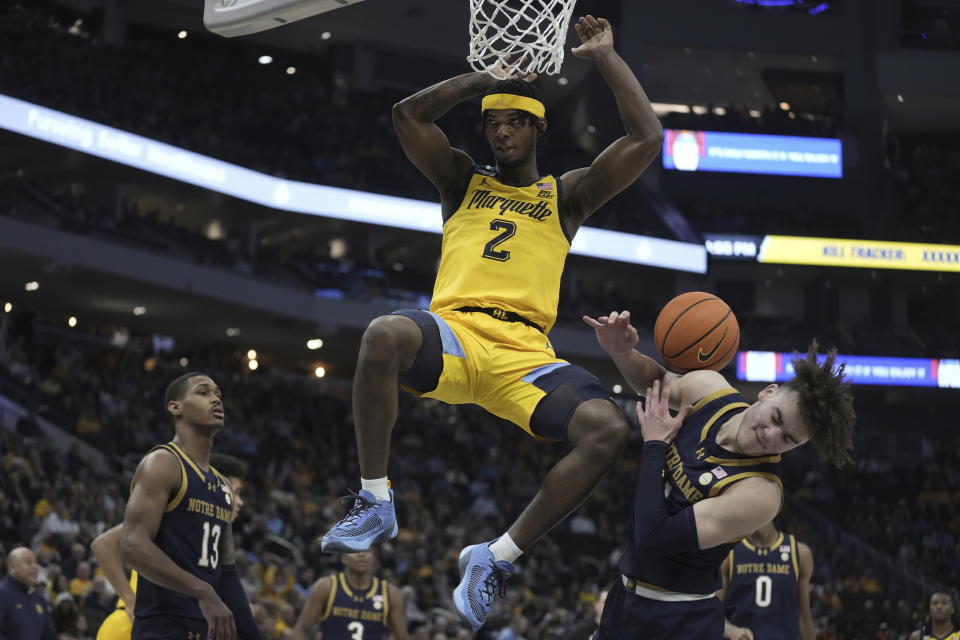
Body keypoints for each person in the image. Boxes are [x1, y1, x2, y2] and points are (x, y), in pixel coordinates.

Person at [320, 15, 664, 631]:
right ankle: (375, 498)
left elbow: (645, 136)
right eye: (492, 124)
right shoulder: (461, 181)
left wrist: (606, 56)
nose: (500, 133)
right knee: (383, 334)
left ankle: (495, 556)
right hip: (454, 334)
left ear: (538, 128)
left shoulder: (567, 197)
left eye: (513, 123)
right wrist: (484, 77)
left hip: (524, 355)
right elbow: (408, 116)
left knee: (607, 428)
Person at [583, 310, 855, 639]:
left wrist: (655, 445)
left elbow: (654, 537)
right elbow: (654, 384)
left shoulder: (761, 493)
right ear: (767, 392)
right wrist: (621, 352)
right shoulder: (708, 389)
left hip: (680, 619)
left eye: (788, 439)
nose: (770, 435)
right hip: (624, 597)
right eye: (776, 418)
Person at [120, 372, 263, 640]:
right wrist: (203, 590)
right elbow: (131, 546)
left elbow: (228, 573)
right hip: (163, 627)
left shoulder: (223, 487)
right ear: (175, 407)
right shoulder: (164, 463)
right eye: (203, 392)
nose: (216, 400)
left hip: (207, 629)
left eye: (218, 394)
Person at [93, 453, 249, 640]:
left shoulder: (211, 534)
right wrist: (129, 600)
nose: (240, 502)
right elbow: (103, 544)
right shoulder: (176, 514)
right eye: (236, 492)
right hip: (134, 626)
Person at [717, 521, 814, 640]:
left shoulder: (800, 552)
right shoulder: (729, 553)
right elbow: (713, 612)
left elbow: (804, 618)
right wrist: (728, 628)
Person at [290, 550, 408, 640]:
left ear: (373, 558)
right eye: (354, 550)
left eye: (366, 550)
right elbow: (301, 629)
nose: (361, 555)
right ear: (343, 557)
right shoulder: (326, 587)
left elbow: (402, 637)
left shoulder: (390, 593)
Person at [0, 547, 57, 640]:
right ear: (12, 567)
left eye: (35, 563)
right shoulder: (2, 594)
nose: (35, 566)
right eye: (28, 562)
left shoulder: (39, 599)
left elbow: (49, 636)